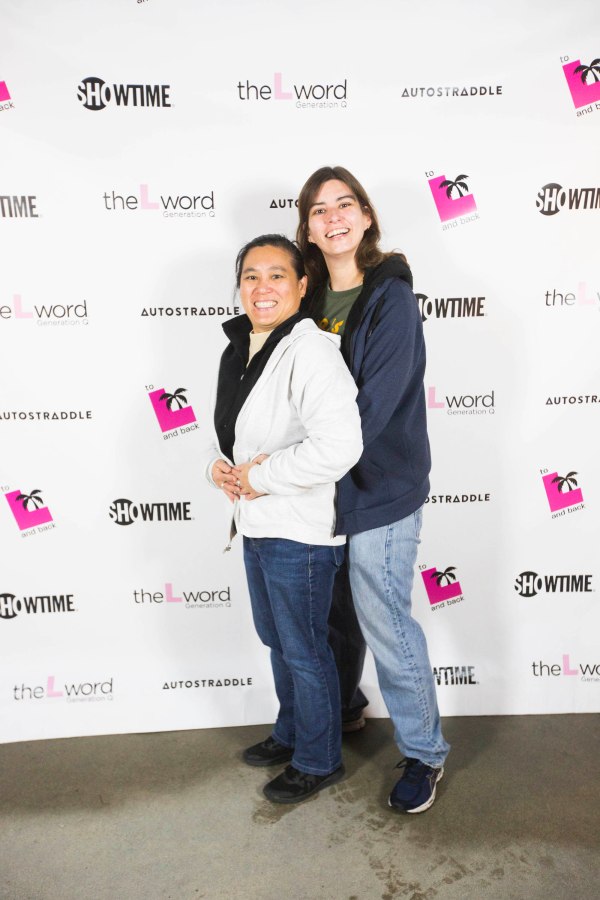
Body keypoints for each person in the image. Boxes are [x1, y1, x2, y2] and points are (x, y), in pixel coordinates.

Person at [296, 167, 450, 813]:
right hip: (315, 487)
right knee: (333, 610)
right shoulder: (304, 299)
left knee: (383, 615)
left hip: (380, 483)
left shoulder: (389, 297)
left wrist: (294, 467)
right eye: (318, 210)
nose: (333, 218)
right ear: (305, 227)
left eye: (345, 204)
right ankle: (350, 708)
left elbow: (374, 406)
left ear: (365, 216)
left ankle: (424, 754)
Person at [205, 234, 363, 804]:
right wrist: (220, 471)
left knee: (303, 647)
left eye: (277, 276)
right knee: (278, 639)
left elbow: (339, 446)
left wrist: (259, 478)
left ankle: (319, 760)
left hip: (299, 532)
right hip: (257, 524)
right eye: (251, 276)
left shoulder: (312, 351)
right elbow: (240, 438)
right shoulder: (239, 350)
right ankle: (292, 731)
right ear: (239, 286)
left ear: (302, 286)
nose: (262, 287)